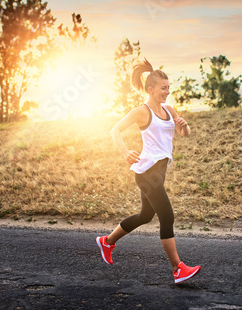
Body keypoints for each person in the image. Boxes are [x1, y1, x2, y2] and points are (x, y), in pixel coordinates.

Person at [96, 58, 201, 284]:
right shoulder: (141, 112)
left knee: (146, 215)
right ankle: (177, 269)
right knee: (167, 216)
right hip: (147, 172)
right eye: (164, 88)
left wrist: (183, 126)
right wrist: (125, 152)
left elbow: (185, 134)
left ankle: (107, 241)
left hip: (160, 170)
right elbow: (115, 130)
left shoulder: (169, 109)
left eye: (168, 87)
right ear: (151, 90)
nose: (167, 91)